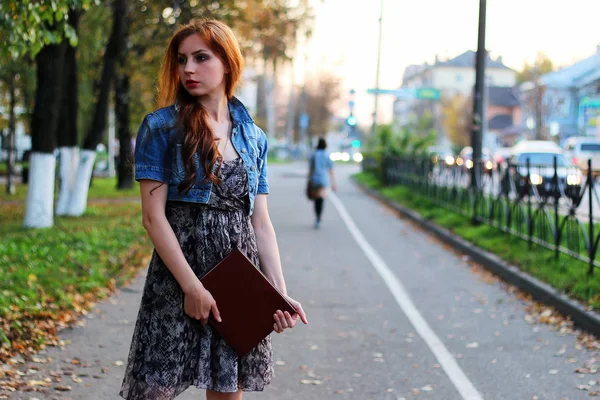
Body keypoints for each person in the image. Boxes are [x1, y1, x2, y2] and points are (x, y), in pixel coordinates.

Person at [119, 19, 308, 400]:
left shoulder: (254, 137)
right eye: (182, 59)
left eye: (201, 58)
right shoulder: (161, 128)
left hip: (238, 281)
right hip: (178, 278)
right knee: (153, 390)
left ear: (227, 63)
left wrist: (278, 293)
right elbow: (153, 218)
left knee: (226, 389)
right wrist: (192, 287)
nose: (188, 69)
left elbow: (260, 220)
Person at [308, 137, 337, 229]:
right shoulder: (327, 155)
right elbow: (331, 170)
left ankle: (317, 216)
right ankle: (319, 217)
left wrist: (309, 179)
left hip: (315, 178)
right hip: (324, 179)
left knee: (316, 199)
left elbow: (311, 169)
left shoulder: (314, 155)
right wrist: (334, 182)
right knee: (321, 198)